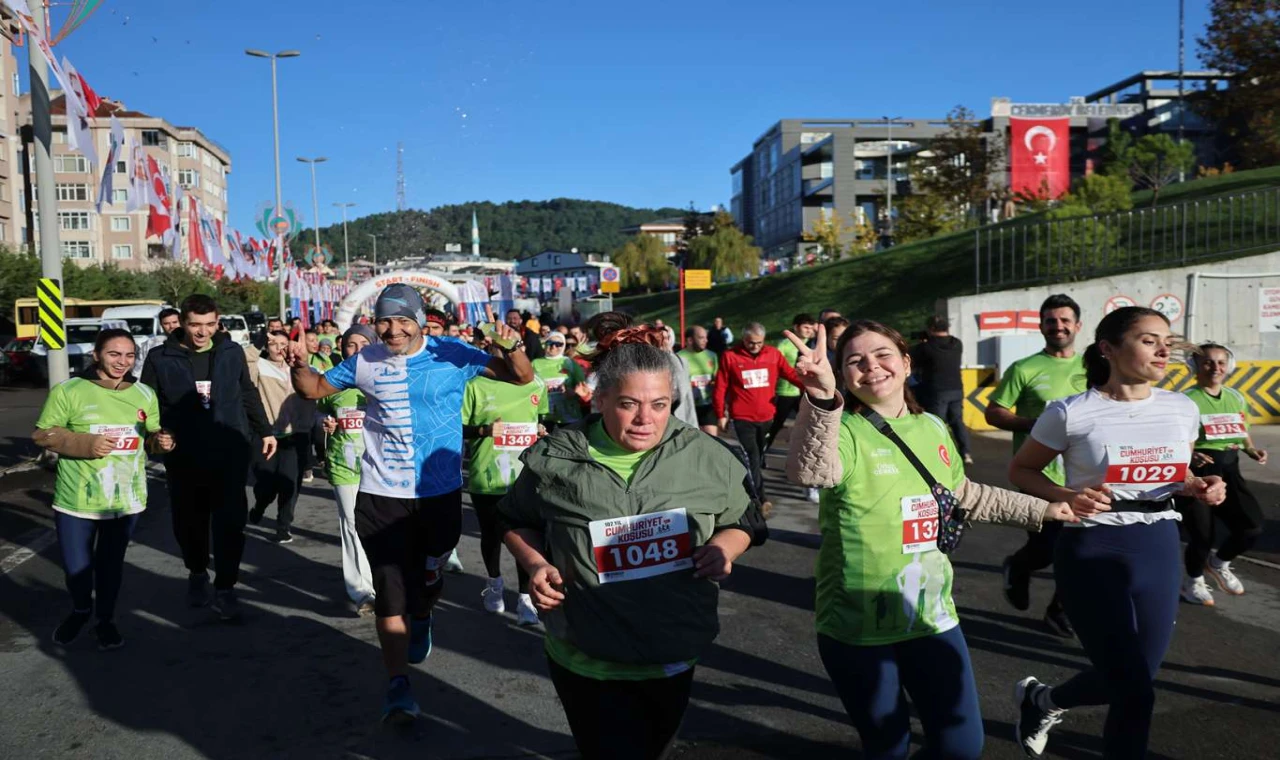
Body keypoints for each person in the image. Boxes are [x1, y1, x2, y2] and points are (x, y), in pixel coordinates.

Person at [782, 320, 1076, 760]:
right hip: (858, 625)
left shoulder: (935, 427)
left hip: (933, 616)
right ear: (844, 376)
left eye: (882, 355)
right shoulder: (841, 429)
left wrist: (1042, 510)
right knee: (887, 747)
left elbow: (962, 495)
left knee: (961, 744)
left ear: (905, 362)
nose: (871, 367)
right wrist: (822, 398)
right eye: (855, 362)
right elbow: (811, 472)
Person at [497, 326, 766, 760]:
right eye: (628, 404)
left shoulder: (707, 456)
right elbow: (513, 519)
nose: (646, 419)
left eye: (659, 405)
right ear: (599, 399)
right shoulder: (557, 456)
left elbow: (746, 523)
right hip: (584, 656)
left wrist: (724, 549)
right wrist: (534, 564)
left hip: (670, 652)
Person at [288, 283, 534, 723]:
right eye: (385, 320)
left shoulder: (453, 353)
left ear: (420, 321)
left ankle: (423, 614)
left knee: (428, 576)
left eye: (403, 320)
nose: (393, 329)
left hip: (438, 495)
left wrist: (512, 345)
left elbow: (520, 377)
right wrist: (298, 365)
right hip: (381, 495)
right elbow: (314, 389)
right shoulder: (365, 360)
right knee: (389, 592)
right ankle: (398, 684)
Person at [1009, 306, 1225, 760]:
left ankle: (1043, 701)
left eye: (1166, 340)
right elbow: (1023, 470)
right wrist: (1067, 494)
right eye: (1149, 340)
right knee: (1135, 692)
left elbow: (1176, 474)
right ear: (1108, 349)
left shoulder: (1181, 408)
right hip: (1093, 545)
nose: (1164, 350)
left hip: (1159, 543)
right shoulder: (1070, 412)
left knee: (1134, 679)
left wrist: (1200, 485)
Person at [35, 329, 175, 650]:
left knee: (111, 566)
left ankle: (105, 619)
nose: (122, 362)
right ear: (96, 354)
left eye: (129, 356)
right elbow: (43, 434)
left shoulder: (144, 394)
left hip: (124, 500)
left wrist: (163, 441)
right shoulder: (69, 390)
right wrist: (86, 443)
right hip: (76, 499)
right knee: (76, 568)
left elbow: (151, 437)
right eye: (114, 354)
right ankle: (81, 609)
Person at [141, 294, 276, 622]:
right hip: (184, 456)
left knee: (231, 523)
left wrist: (266, 430)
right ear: (182, 324)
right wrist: (157, 433)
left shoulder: (230, 352)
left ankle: (226, 588)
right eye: (195, 325)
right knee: (190, 524)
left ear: (218, 323)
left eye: (209, 325)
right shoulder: (161, 358)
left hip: (229, 452)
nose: (202, 332)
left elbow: (246, 392)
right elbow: (147, 402)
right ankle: (197, 572)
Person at [985, 294, 1087, 638]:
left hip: (1086, 476)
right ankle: (1019, 565)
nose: (1058, 326)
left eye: (1064, 320)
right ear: (1041, 326)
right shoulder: (1025, 368)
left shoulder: (1095, 367)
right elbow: (994, 411)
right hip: (1039, 476)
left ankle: (1060, 611)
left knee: (1079, 551)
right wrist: (1037, 426)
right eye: (1050, 321)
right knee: (1048, 550)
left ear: (1078, 325)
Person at [463, 329, 549, 625]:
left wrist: (542, 432)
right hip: (486, 475)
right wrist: (484, 431)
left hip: (526, 477)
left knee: (529, 537)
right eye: (494, 345)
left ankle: (526, 597)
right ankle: (494, 583)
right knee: (491, 534)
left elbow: (543, 420)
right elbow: (458, 428)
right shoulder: (473, 384)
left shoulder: (535, 383)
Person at [1178, 342, 1266, 605]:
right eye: (1207, 362)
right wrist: (1191, 456)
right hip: (1198, 474)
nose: (1215, 367)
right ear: (1194, 366)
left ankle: (1218, 564)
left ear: (1228, 366)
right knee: (1202, 536)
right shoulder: (1186, 400)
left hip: (1230, 469)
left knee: (1252, 526)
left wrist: (1251, 449)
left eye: (1220, 362)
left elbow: (1242, 430)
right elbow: (1176, 440)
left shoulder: (1236, 397)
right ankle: (1192, 581)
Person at [317, 325, 379, 616]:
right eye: (350, 345)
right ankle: (362, 591)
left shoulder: (386, 378)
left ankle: (385, 582)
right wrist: (325, 422)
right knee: (352, 525)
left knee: (380, 526)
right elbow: (318, 408)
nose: (356, 350)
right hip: (344, 465)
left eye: (363, 343)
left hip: (382, 466)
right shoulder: (334, 381)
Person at [713, 322, 802, 517]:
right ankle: (760, 499)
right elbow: (720, 387)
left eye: (758, 343)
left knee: (759, 456)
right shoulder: (730, 356)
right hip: (742, 417)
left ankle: (750, 487)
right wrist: (720, 414)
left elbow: (789, 374)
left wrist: (811, 385)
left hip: (767, 416)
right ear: (743, 339)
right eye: (750, 342)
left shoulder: (773, 354)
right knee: (751, 456)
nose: (754, 346)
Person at [247, 330, 315, 544]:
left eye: (283, 343)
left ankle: (283, 526)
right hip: (266, 435)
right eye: (273, 344)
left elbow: (319, 392)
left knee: (290, 483)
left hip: (295, 435)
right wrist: (257, 344)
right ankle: (260, 504)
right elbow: (245, 363)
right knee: (266, 483)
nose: (279, 348)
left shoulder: (304, 369)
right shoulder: (259, 367)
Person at [910, 315, 972, 465]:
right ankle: (966, 453)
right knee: (957, 421)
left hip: (936, 391)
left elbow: (912, 358)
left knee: (936, 423)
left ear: (931, 329)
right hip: (957, 389)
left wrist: (923, 342)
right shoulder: (957, 344)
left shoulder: (926, 348)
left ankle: (938, 455)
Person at [767, 313, 817, 449]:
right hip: (785, 391)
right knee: (776, 424)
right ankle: (763, 451)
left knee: (810, 423)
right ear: (796, 327)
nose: (809, 331)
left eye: (811, 328)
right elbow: (774, 367)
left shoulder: (813, 345)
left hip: (805, 392)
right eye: (806, 327)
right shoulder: (784, 345)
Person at [532, 331, 588, 428]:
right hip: (544, 417)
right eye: (550, 343)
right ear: (545, 344)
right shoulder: (535, 363)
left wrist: (573, 392)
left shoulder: (569, 362)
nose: (553, 347)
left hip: (569, 416)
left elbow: (583, 387)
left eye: (558, 344)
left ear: (563, 346)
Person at [676, 325, 719, 435]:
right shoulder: (679, 358)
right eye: (701, 338)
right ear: (690, 340)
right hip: (688, 406)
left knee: (712, 440)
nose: (706, 340)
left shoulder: (712, 355)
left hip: (708, 405)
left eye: (706, 337)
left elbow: (718, 381)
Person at [135, 307, 182, 375]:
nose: (171, 326)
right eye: (166, 323)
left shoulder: (191, 341)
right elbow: (139, 369)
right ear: (161, 325)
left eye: (175, 322)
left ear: (181, 322)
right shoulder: (151, 343)